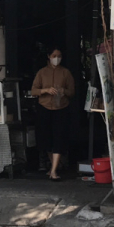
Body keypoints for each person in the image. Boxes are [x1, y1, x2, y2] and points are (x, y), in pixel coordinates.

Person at [31, 49, 75, 181]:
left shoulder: (65, 73)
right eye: (54, 56)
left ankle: (54, 171)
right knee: (47, 139)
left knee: (58, 138)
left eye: (59, 56)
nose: (57, 58)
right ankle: (53, 167)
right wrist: (46, 90)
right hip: (44, 108)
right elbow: (33, 90)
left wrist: (63, 91)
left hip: (61, 108)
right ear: (49, 57)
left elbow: (72, 92)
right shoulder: (42, 73)